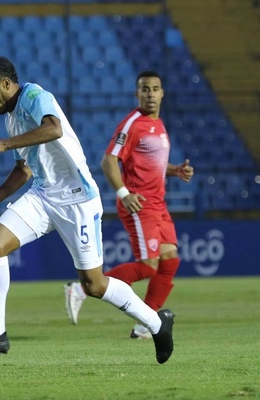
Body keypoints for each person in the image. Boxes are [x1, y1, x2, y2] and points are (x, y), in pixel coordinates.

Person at [0, 56, 174, 365]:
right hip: (43, 196)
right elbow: (25, 169)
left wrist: (4, 144)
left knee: (94, 285)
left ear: (5, 84)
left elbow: (54, 129)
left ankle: (157, 324)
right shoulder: (11, 119)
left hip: (77, 200)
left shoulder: (34, 95)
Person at [65, 71, 194, 339]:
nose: (150, 93)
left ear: (162, 93)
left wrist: (175, 171)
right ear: (137, 94)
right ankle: (83, 288)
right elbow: (108, 160)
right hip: (139, 203)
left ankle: (146, 324)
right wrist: (124, 194)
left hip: (159, 204)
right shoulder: (133, 124)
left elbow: (150, 163)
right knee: (148, 266)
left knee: (170, 262)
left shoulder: (158, 125)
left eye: (155, 88)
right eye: (145, 89)